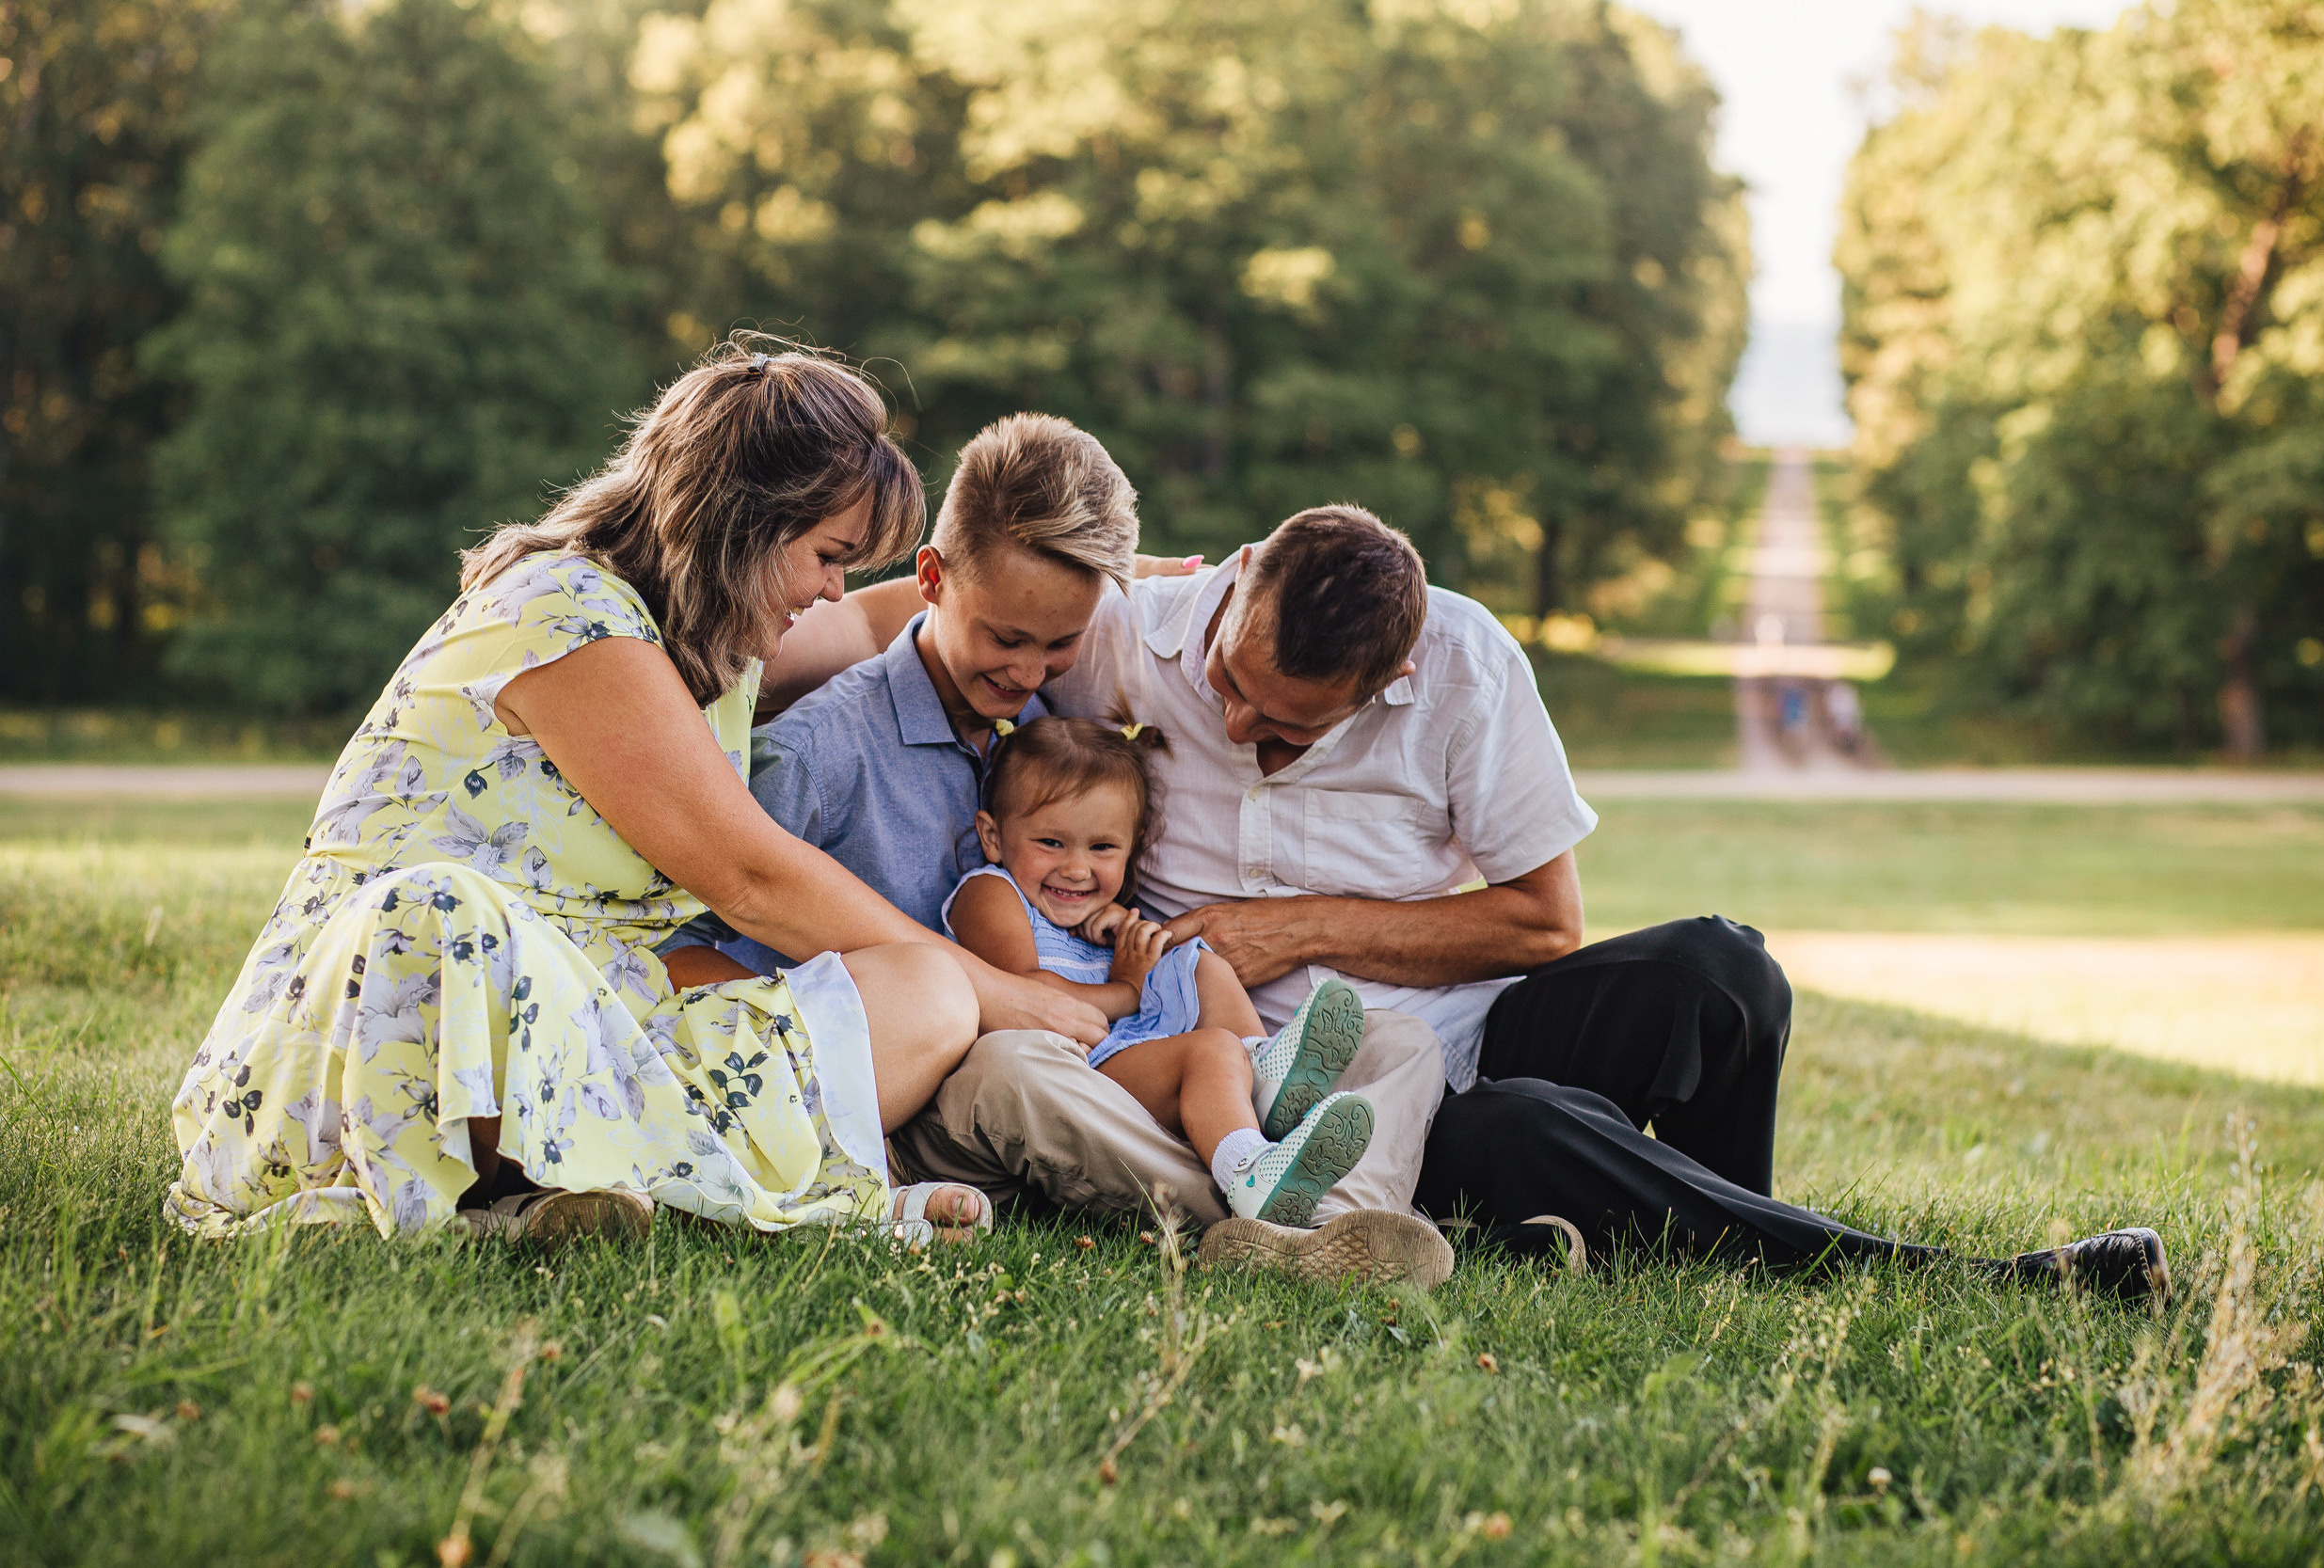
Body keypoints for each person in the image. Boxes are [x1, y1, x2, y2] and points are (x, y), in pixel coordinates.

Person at [783, 500, 2171, 1300]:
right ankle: (1948, 1273)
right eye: (1229, 687)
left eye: (1283, 722)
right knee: (1533, 1128)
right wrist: (727, 629)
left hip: (1451, 1017)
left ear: (1386, 680)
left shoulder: (1463, 664)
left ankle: (1716, 1228)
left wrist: (1301, 924)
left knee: (1723, 966)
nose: (1235, 722)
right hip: (1270, 1072)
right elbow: (939, 614)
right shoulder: (1137, 638)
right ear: (1238, 582)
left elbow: (1544, 923)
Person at [165, 339, 1099, 1248]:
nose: (831, 586)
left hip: (593, 1016)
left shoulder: (713, 639)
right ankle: (675, 1187)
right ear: (745, 522)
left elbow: (884, 619)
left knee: (926, 993)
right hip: (398, 1007)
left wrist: (1129, 581)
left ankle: (592, 1192)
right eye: (827, 553)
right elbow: (750, 878)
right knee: (442, 910)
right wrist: (1005, 992)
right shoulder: (566, 614)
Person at [662, 413, 1452, 1288]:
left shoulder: (1052, 728)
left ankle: (1332, 1224)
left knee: (1398, 1041)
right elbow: (674, 955)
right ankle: (1276, 1227)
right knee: (1018, 1065)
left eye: (1061, 642)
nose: (1030, 671)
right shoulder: (821, 754)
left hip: (1109, 1053)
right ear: (931, 579)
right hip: (951, 1079)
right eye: (1006, 637)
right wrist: (910, 1024)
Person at [945, 714, 1377, 1227]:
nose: (1077, 869)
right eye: (1051, 843)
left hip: (1123, 1053)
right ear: (993, 836)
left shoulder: (1093, 917)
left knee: (1200, 964)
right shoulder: (990, 892)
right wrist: (1128, 986)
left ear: (1133, 845)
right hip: (1073, 1073)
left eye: (1102, 848)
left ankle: (1260, 1072)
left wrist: (1123, 943)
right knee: (1209, 1051)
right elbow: (1025, 994)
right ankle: (1248, 1174)